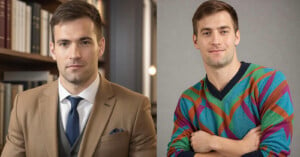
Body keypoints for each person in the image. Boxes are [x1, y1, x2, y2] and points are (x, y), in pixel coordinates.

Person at [1, 1, 156, 157]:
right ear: (53, 50)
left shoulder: (135, 108)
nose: (74, 54)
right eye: (64, 43)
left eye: (84, 42)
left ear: (101, 46)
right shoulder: (24, 105)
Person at [167, 0, 294, 157]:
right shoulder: (188, 100)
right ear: (195, 41)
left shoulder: (270, 83)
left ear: (237, 36)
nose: (216, 41)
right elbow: (174, 154)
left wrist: (213, 143)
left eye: (224, 31)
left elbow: (275, 154)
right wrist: (242, 148)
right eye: (207, 33)